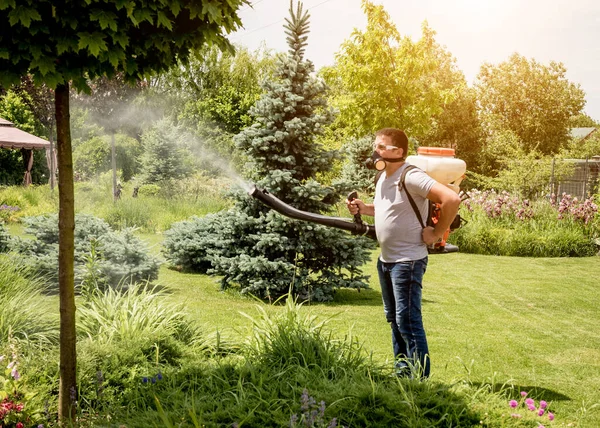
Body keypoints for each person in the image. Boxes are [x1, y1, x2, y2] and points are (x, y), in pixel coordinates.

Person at [346, 128, 461, 378]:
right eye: (375, 145)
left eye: (380, 146)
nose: (375, 150)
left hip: (407, 261)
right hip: (386, 261)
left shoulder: (411, 176)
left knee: (407, 321)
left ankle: (419, 380)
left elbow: (451, 199)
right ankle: (402, 372)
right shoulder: (384, 178)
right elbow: (386, 209)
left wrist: (438, 233)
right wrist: (364, 208)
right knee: (394, 321)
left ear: (398, 151)